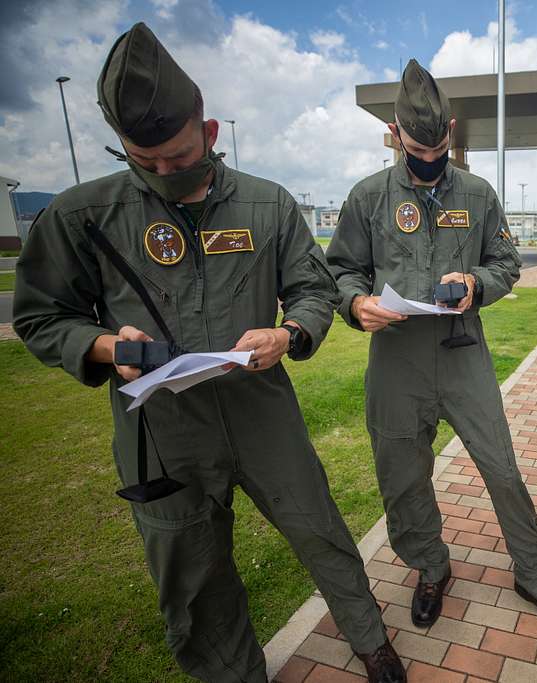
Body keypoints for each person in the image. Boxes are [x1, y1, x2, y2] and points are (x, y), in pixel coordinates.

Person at [13, 23, 404, 683]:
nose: (166, 172)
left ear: (210, 132)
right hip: (161, 432)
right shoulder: (83, 216)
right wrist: (106, 345)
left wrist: (289, 333)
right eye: (147, 160)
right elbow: (41, 314)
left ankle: (371, 641)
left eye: (179, 155)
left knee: (320, 530)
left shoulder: (267, 204)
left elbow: (311, 290)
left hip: (261, 413)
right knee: (194, 572)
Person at [326, 59, 537, 635]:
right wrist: (355, 304)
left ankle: (535, 576)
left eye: (439, 145)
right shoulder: (367, 197)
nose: (429, 158)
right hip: (396, 359)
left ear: (452, 131)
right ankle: (430, 568)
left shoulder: (477, 192)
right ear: (394, 134)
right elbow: (338, 271)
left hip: (464, 355)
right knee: (403, 476)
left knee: (501, 467)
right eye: (417, 147)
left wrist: (477, 283)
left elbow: (506, 261)